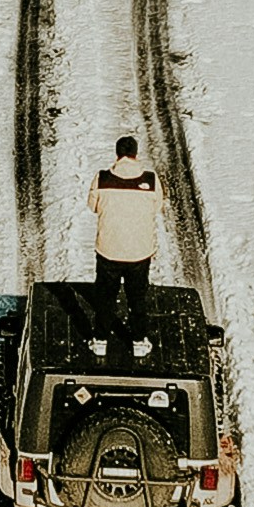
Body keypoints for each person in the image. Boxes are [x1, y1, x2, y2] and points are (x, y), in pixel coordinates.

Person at [89, 130, 160, 352]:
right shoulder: (150, 179)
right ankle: (139, 341)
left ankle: (100, 340)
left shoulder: (102, 178)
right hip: (140, 252)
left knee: (105, 298)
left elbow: (93, 206)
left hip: (109, 250)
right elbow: (157, 207)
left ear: (117, 155)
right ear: (136, 155)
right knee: (137, 298)